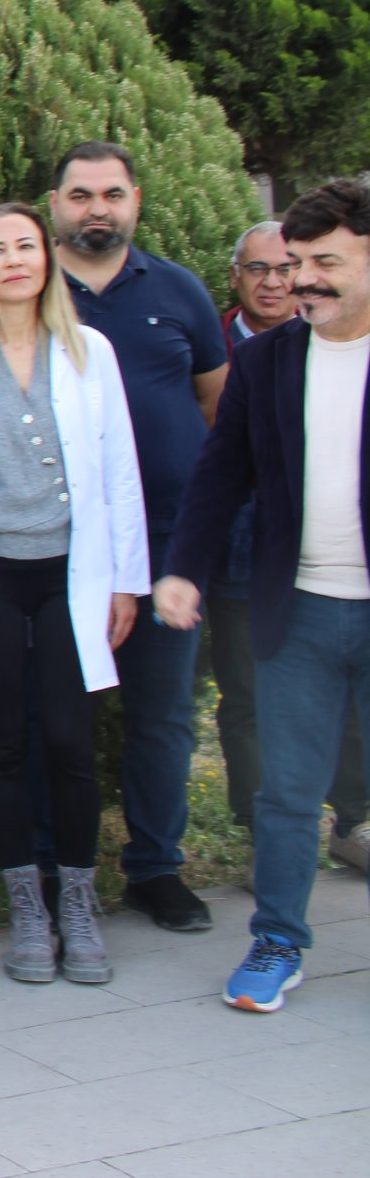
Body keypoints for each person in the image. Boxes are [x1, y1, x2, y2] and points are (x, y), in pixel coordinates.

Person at [0, 203, 144, 987]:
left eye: (26, 246)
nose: (13, 260)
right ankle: (28, 910)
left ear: (48, 259)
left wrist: (126, 578)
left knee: (71, 744)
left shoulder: (89, 351)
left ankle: (76, 900)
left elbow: (119, 467)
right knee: (3, 745)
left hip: (73, 575)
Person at [158, 178, 370, 1014]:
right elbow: (220, 475)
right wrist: (185, 566)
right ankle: (278, 940)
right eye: (295, 262)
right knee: (287, 790)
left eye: (325, 262)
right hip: (301, 610)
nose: (302, 279)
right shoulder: (268, 359)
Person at [49, 142, 228, 935]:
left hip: (165, 546)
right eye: (82, 194)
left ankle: (156, 867)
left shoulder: (179, 290)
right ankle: (60, 869)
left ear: (136, 200)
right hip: (61, 548)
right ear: (56, 204)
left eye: (112, 194)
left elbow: (216, 404)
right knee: (61, 715)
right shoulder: (28, 289)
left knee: (162, 714)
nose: (98, 208)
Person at [210, 219, 367, 860]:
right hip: (240, 552)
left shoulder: (341, 340)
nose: (277, 282)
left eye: (288, 267)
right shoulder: (220, 345)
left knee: (344, 689)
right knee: (248, 693)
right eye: (259, 269)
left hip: (324, 556)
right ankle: (262, 833)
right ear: (236, 277)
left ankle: (354, 818)